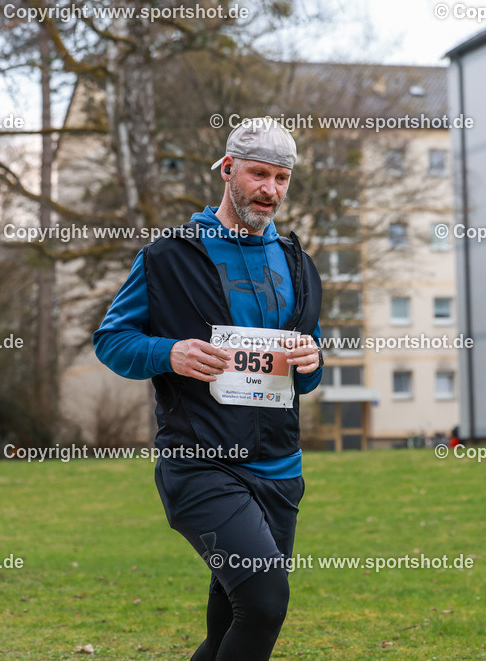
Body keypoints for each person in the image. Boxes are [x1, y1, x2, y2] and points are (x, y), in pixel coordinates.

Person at [94, 118, 323, 660]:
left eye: (282, 178)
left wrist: (313, 361)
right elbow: (111, 340)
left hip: (280, 469)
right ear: (227, 171)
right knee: (265, 603)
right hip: (201, 464)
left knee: (230, 623)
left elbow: (306, 369)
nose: (270, 190)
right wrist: (168, 352)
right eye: (258, 174)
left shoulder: (299, 263)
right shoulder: (168, 257)